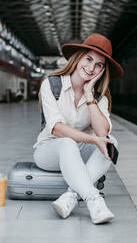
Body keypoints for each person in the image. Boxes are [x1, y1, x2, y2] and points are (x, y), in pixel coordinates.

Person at [33, 33, 124, 224]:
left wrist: (89, 94)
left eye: (99, 65)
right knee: (66, 142)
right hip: (49, 151)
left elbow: (102, 133)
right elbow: (57, 129)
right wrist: (91, 140)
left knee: (111, 142)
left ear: (103, 71)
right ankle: (93, 199)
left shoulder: (100, 97)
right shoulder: (51, 84)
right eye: (88, 59)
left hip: (79, 152)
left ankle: (70, 197)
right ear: (78, 57)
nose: (91, 68)